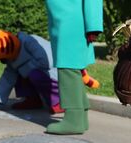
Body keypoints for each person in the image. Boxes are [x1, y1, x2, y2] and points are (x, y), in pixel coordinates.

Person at [0, 30, 63, 114]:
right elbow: (7, 80)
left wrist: (25, 67)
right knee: (20, 72)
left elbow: (46, 62)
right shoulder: (12, 59)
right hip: (40, 71)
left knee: (32, 72)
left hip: (56, 72)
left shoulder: (29, 41)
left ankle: (59, 102)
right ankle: (32, 99)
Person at [44, 0, 103, 135]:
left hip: (71, 21)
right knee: (71, 68)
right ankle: (80, 117)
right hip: (65, 20)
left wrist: (93, 26)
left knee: (68, 68)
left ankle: (73, 120)